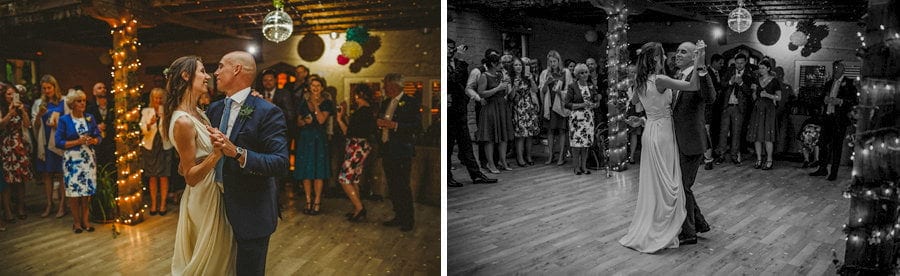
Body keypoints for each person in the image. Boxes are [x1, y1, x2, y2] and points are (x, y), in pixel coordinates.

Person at [207, 51, 288, 275]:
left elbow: (279, 162)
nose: (215, 72)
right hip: (214, 207)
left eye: (221, 66)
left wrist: (238, 153)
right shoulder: (214, 110)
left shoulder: (268, 112)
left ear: (237, 70)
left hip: (252, 209)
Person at [619, 41, 704, 253]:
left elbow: (638, 106)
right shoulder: (660, 79)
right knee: (669, 181)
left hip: (650, 131)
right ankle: (667, 225)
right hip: (664, 133)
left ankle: (658, 221)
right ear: (655, 58)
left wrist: (640, 121)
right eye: (663, 55)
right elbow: (693, 86)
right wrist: (699, 61)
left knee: (656, 182)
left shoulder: (639, 82)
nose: (666, 58)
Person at [162, 56, 236, 274]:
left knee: (221, 256)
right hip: (204, 196)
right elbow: (190, 177)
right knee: (212, 261)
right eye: (202, 71)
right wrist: (216, 154)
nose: (208, 76)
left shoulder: (200, 113)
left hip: (214, 190)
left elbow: (187, 163)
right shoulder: (183, 121)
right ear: (186, 76)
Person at [670, 41, 715, 245]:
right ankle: (700, 223)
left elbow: (710, 97)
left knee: (683, 186)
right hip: (676, 140)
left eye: (683, 51)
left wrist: (702, 68)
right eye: (678, 51)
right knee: (682, 186)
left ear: (694, 56)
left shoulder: (699, 74)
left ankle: (689, 233)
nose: (678, 55)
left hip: (692, 141)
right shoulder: (676, 77)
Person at [448, 39, 497, 187]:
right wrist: (462, 60)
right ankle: (447, 177)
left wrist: (465, 100)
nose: (452, 50)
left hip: (459, 108)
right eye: (449, 48)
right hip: (448, 111)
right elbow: (451, 80)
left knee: (466, 144)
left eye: (452, 48)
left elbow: (463, 83)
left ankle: (476, 175)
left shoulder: (456, 63)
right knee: (448, 145)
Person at [378, 73, 421, 232]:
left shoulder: (410, 103)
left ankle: (408, 220)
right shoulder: (385, 102)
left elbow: (417, 127)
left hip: (402, 151)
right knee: (392, 186)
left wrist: (394, 125)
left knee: (402, 186)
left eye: (386, 85)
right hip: (387, 150)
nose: (384, 88)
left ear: (395, 86)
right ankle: (398, 215)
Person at [55, 90, 101, 233]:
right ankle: (76, 222)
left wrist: (93, 140)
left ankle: (86, 220)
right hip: (72, 160)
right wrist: (78, 141)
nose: (82, 103)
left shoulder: (90, 117)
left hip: (88, 158)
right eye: (79, 101)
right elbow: (59, 142)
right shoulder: (64, 120)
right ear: (72, 104)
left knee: (86, 192)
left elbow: (98, 136)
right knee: (74, 193)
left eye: (84, 100)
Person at [334, 85, 377, 221]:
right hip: (362, 145)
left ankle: (359, 208)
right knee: (353, 179)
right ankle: (357, 209)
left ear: (359, 95)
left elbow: (348, 132)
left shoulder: (362, 112)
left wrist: (340, 119)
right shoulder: (369, 111)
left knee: (344, 178)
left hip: (356, 146)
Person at [809, 60, 857, 181]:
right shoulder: (829, 83)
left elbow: (853, 101)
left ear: (843, 70)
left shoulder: (849, 84)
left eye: (838, 69)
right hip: (827, 117)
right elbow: (820, 98)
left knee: (836, 146)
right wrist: (823, 99)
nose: (835, 71)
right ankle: (822, 168)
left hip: (839, 119)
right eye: (834, 68)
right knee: (823, 144)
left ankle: (833, 172)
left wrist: (840, 101)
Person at [294, 77, 333, 215]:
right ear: (309, 87)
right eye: (313, 85)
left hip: (319, 139)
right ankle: (308, 201)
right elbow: (298, 122)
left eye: (318, 85)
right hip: (305, 138)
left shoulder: (327, 103)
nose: (315, 88)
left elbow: (322, 120)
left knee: (318, 171)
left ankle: (317, 202)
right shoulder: (303, 102)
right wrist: (305, 121)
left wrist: (316, 104)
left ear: (322, 88)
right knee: (306, 171)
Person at [32, 75, 70, 218]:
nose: (47, 91)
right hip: (45, 142)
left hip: (58, 142)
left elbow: (68, 122)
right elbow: (34, 126)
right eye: (44, 88)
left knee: (61, 173)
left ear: (55, 87)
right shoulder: (39, 103)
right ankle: (49, 203)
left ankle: (62, 204)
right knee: (47, 174)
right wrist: (38, 116)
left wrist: (58, 124)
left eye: (49, 87)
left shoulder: (64, 101)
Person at [468, 49, 511, 173]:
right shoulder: (484, 76)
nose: (502, 66)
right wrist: (497, 88)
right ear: (493, 64)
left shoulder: (500, 75)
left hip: (501, 107)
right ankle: (490, 164)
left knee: (503, 136)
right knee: (489, 138)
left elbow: (505, 92)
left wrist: (507, 85)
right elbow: (481, 93)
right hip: (490, 108)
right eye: (500, 63)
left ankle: (502, 161)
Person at [0, 84, 32, 222]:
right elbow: (1, 126)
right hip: (6, 145)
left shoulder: (21, 108)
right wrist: (9, 114)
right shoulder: (2, 108)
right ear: (3, 96)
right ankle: (8, 211)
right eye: (8, 94)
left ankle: (21, 207)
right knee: (7, 180)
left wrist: (23, 111)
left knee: (20, 179)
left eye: (13, 94)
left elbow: (27, 125)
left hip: (19, 144)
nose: (11, 97)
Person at [140, 88, 175, 215]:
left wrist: (164, 119)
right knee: (152, 176)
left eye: (160, 98)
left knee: (164, 176)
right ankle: (154, 204)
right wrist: (149, 124)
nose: (158, 100)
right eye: (156, 98)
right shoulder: (146, 111)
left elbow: (172, 129)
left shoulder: (168, 112)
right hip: (150, 147)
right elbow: (143, 130)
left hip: (165, 146)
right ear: (152, 99)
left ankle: (163, 204)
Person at [716, 54, 753, 165]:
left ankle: (734, 156)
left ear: (745, 62)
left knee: (736, 133)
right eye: (737, 63)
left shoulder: (749, 74)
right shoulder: (729, 71)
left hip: (739, 108)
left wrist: (741, 83)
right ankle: (721, 155)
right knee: (723, 132)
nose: (739, 65)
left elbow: (749, 93)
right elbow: (722, 84)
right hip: (727, 106)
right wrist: (731, 82)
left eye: (741, 63)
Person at [565, 64, 601, 175]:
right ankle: (576, 167)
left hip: (588, 118)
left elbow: (596, 103)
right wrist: (582, 105)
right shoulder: (572, 86)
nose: (584, 74)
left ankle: (584, 167)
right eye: (581, 73)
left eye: (586, 72)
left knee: (586, 145)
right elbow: (567, 104)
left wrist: (595, 104)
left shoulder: (591, 86)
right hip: (576, 119)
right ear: (577, 75)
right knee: (576, 145)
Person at [746, 59, 782, 170]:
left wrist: (768, 95)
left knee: (768, 136)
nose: (760, 70)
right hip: (758, 109)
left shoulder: (774, 81)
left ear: (768, 69)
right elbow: (754, 98)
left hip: (769, 109)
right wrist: (753, 91)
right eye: (759, 68)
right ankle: (758, 159)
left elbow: (779, 97)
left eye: (763, 68)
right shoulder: (757, 80)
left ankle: (769, 160)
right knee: (757, 136)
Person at [540, 50, 571, 166]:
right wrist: (546, 83)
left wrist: (560, 92)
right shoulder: (545, 73)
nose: (552, 64)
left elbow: (569, 90)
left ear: (559, 61)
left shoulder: (565, 72)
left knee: (562, 130)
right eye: (550, 61)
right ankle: (550, 155)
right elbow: (542, 91)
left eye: (554, 61)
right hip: (549, 104)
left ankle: (561, 156)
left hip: (560, 104)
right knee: (550, 130)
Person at [511, 57, 540, 167]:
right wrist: (515, 86)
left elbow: (535, 90)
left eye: (520, 65)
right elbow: (511, 97)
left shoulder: (526, 77)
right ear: (512, 67)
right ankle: (520, 157)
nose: (518, 67)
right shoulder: (511, 78)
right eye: (516, 65)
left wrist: (531, 79)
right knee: (520, 134)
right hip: (518, 107)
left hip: (529, 105)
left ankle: (529, 156)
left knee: (530, 134)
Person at [85, 82, 115, 169]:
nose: (103, 89)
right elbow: (87, 124)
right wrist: (96, 127)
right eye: (99, 88)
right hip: (97, 142)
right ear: (94, 92)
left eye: (104, 88)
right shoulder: (90, 108)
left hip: (110, 141)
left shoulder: (112, 105)